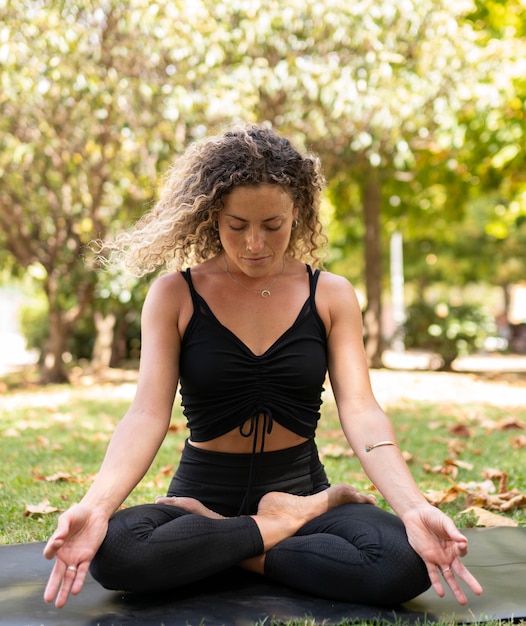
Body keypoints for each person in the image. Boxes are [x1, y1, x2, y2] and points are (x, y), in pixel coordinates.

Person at [43, 123, 482, 610]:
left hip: (299, 486)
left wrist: (415, 507)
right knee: (117, 553)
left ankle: (236, 541)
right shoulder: (175, 294)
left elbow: (361, 410)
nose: (255, 243)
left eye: (273, 225)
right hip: (201, 495)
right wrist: (96, 506)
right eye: (237, 226)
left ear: (299, 212)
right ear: (213, 217)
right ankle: (278, 525)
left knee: (403, 560)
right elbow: (146, 414)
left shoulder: (330, 294)